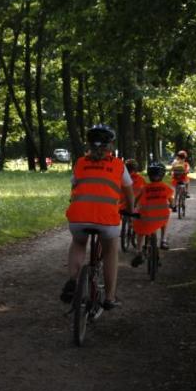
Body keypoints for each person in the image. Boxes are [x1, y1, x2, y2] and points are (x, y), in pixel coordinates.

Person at [61, 125, 137, 309]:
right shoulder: (119, 165)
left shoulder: (80, 163)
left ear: (89, 144)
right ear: (110, 145)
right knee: (110, 250)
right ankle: (110, 297)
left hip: (78, 216)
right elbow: (129, 193)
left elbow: (75, 188)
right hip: (106, 219)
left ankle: (73, 279)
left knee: (79, 243)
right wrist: (131, 210)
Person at [131, 161, 175, 265]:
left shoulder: (144, 188)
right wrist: (173, 206)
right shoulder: (165, 187)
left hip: (146, 218)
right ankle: (163, 240)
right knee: (165, 220)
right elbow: (171, 200)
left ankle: (138, 251)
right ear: (162, 175)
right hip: (160, 218)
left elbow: (136, 200)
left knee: (140, 232)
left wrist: (133, 207)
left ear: (149, 175)